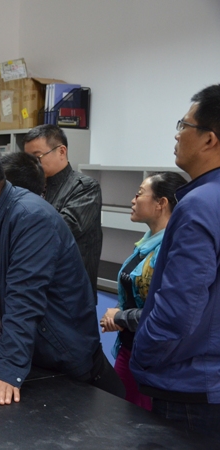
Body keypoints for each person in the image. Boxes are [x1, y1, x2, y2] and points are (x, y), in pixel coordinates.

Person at [0, 147, 124, 405]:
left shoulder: (31, 218)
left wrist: (7, 369)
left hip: (62, 360)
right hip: (34, 356)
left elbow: (24, 298)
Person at [131, 85, 220, 437]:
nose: (177, 134)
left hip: (191, 386)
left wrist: (144, 353)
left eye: (184, 125)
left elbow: (179, 309)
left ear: (209, 139)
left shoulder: (199, 205)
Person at [99, 172, 186, 410]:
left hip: (154, 357)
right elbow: (133, 290)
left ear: (161, 203)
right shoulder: (147, 242)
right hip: (130, 348)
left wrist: (120, 317)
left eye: (139, 194)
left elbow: (159, 310)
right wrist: (118, 313)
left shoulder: (170, 248)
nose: (133, 200)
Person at [24, 125, 102, 300]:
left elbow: (62, 228)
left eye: (37, 157)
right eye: (27, 159)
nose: (32, 165)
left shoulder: (85, 187)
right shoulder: (32, 187)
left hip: (71, 292)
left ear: (61, 151)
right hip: (38, 286)